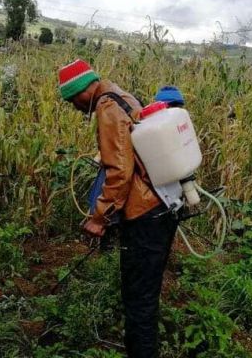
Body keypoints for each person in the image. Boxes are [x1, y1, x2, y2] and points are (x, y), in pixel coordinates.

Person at [58, 59, 178, 358]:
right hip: (162, 205)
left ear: (86, 88)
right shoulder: (121, 96)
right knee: (145, 295)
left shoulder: (107, 108)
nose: (73, 105)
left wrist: (99, 218)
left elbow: (120, 173)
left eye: (73, 98)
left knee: (138, 301)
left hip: (145, 213)